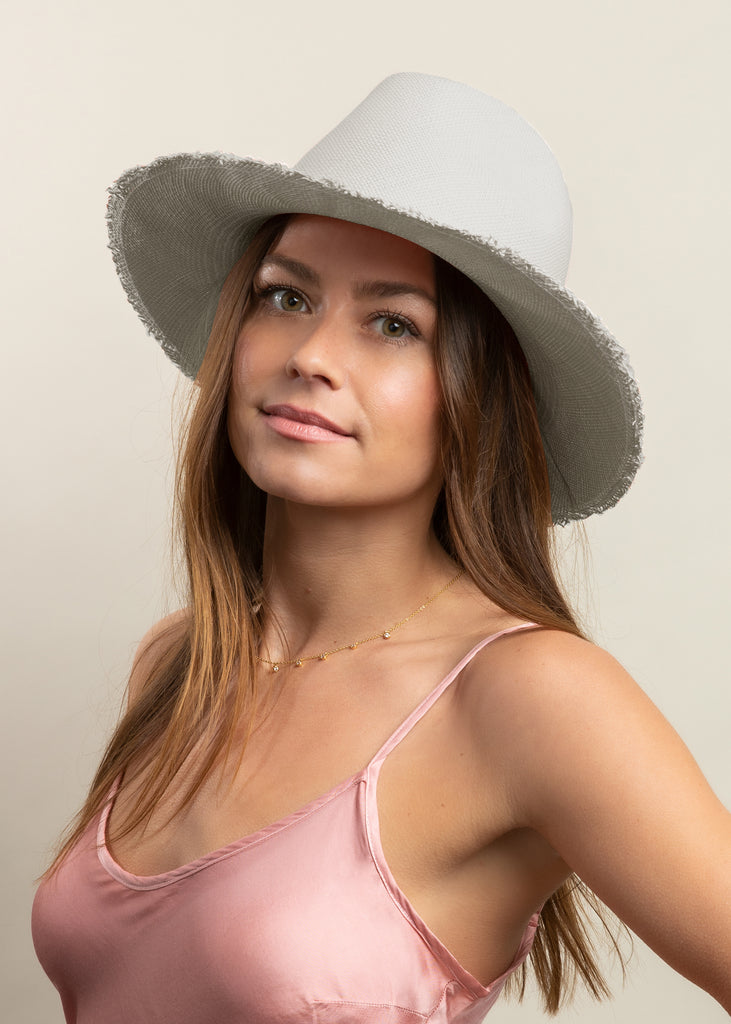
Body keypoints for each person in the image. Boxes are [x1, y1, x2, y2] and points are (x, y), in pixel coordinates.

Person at [32, 72, 730, 1022]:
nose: (310, 355)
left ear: (478, 398)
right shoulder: (178, 663)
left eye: (393, 323)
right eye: (284, 297)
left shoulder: (527, 697)